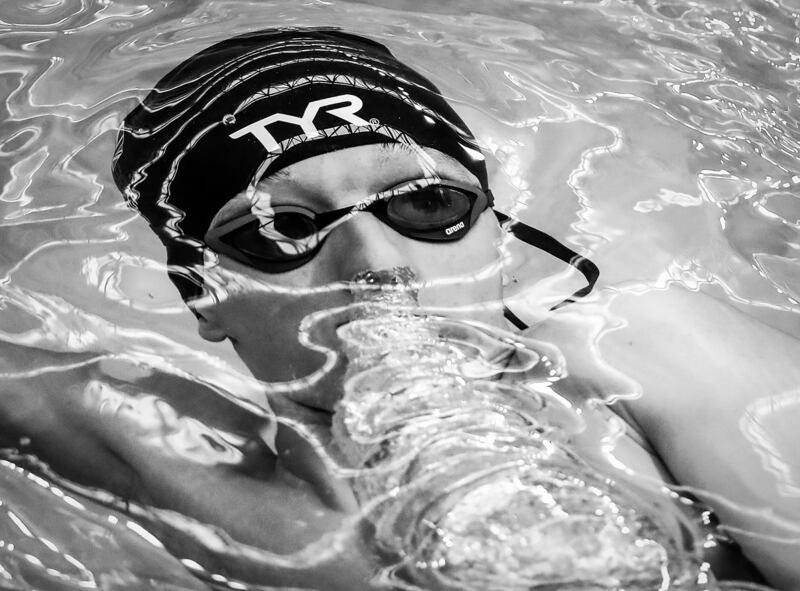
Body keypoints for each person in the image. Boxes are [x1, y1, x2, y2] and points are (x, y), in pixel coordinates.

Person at [2, 27, 799, 591]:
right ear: (204, 293)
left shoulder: (648, 350)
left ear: (495, 232)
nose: (378, 268)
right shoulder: (202, 481)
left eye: (426, 203)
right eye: (281, 227)